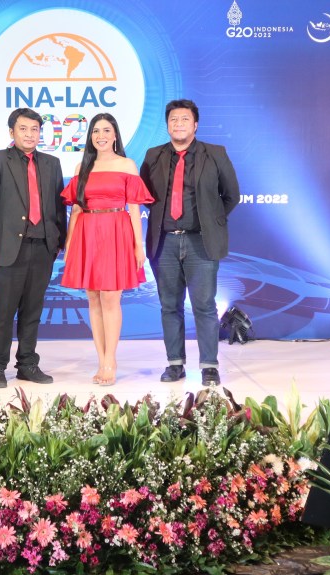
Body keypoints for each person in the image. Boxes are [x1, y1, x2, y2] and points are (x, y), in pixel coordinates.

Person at [140, 99, 241, 386]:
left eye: (184, 119)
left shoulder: (215, 153)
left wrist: (211, 219)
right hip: (165, 243)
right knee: (169, 306)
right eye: (173, 119)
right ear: (167, 125)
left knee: (205, 306)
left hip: (201, 242)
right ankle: (175, 364)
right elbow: (146, 195)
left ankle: (209, 366)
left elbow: (231, 195)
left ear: (195, 124)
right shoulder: (154, 155)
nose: (179, 124)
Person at [0, 108, 66, 388]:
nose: (29, 134)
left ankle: (27, 364)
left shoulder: (52, 163)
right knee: (3, 312)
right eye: (23, 129)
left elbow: (58, 206)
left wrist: (59, 241)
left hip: (43, 249)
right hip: (7, 248)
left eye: (35, 129)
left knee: (32, 311)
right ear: (12, 132)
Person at [61, 113, 153, 386]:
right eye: (95, 131)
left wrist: (138, 245)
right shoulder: (81, 167)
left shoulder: (127, 165)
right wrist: (69, 242)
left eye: (106, 130)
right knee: (93, 297)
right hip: (87, 232)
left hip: (116, 232)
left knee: (111, 297)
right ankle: (101, 360)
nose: (100, 136)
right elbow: (76, 209)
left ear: (115, 135)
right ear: (90, 136)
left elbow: (134, 208)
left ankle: (111, 361)